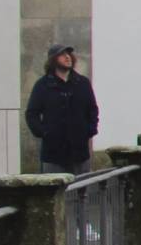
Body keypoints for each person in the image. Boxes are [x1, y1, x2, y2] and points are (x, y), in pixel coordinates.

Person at [25, 43, 100, 175]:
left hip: (80, 153)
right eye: (62, 55)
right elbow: (32, 114)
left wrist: (89, 130)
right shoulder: (42, 85)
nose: (67, 57)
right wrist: (44, 133)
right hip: (53, 155)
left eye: (68, 54)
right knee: (54, 193)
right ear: (53, 60)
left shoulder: (82, 83)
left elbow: (92, 110)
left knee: (81, 192)